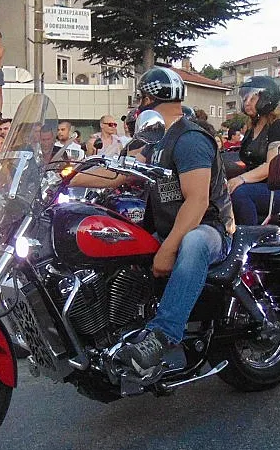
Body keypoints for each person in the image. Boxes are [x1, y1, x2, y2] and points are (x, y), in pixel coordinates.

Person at [78, 67, 234, 375]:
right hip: (167, 229)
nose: (138, 104)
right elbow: (118, 174)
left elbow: (198, 201)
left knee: (193, 241)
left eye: (141, 98)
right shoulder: (156, 140)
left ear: (148, 99)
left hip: (210, 230)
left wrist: (168, 248)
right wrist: (63, 176)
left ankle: (163, 335)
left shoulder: (189, 138)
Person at [226, 76, 280, 224]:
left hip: (276, 190)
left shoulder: (278, 126)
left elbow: (271, 166)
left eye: (252, 99)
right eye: (245, 99)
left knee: (239, 193)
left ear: (266, 99)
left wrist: (240, 179)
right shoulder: (251, 128)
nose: (246, 103)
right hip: (255, 185)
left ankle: (251, 235)